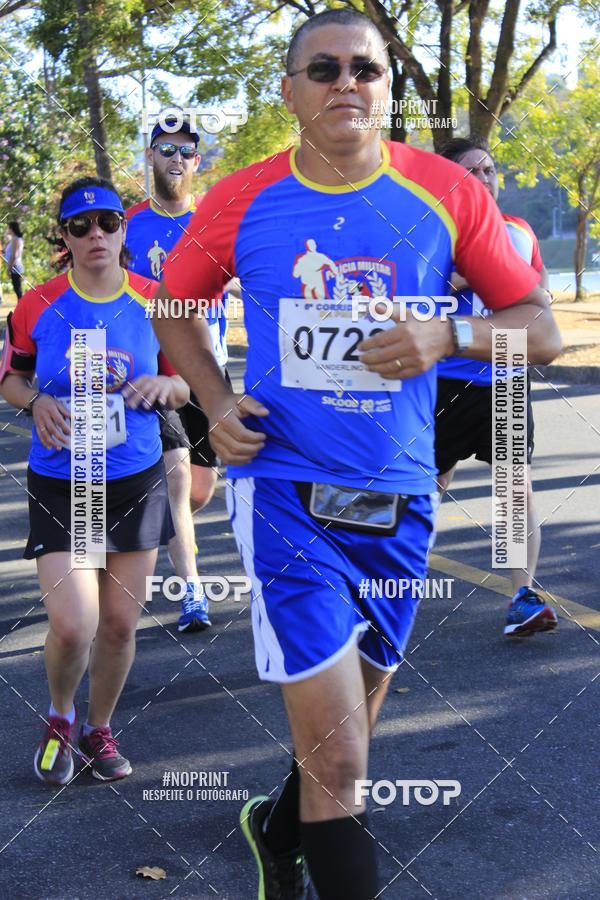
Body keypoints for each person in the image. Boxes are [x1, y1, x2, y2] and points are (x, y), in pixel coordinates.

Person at [151, 9, 562, 898]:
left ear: (388, 87)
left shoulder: (448, 193)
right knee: (344, 768)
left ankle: (272, 825)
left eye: (366, 70)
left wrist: (446, 336)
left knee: (345, 738)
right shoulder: (242, 198)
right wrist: (214, 406)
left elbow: (542, 332)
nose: (348, 82)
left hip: (402, 501)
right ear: (290, 91)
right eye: (325, 68)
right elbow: (174, 307)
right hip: (285, 491)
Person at [0, 176, 189, 785]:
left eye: (107, 221)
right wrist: (34, 404)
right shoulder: (36, 305)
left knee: (117, 624)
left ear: (124, 228)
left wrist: (167, 387)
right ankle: (60, 713)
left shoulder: (157, 300)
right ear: (64, 236)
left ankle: (99, 726)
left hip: (134, 478)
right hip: (63, 479)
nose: (96, 235)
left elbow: (189, 382)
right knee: (74, 622)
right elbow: (11, 379)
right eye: (80, 226)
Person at [435, 135, 558, 637]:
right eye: (472, 171)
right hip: (442, 381)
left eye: (490, 170)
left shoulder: (519, 230)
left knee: (515, 486)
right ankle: (385, 590)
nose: (485, 179)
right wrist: (463, 279)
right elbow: (401, 293)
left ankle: (521, 597)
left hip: (505, 376)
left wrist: (516, 286)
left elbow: (542, 291)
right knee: (424, 490)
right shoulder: (430, 230)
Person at [126, 115, 229, 632]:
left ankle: (159, 523)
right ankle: (193, 593)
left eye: (186, 150)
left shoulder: (216, 219)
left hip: (210, 371)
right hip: (157, 369)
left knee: (198, 489)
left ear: (197, 159)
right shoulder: (127, 223)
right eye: (165, 148)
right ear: (150, 157)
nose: (176, 158)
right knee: (177, 477)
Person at [5, 220, 24, 298]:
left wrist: (9, 269)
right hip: (14, 266)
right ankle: (21, 307)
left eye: (8, 228)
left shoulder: (15, 239)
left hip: (15, 267)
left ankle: (23, 308)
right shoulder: (14, 239)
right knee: (17, 289)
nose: (7, 230)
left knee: (18, 290)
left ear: (11, 229)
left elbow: (14, 256)